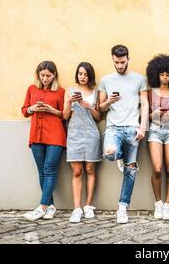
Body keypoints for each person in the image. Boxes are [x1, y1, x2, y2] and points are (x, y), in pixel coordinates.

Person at [99, 45, 148, 224]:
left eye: (122, 62)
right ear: (112, 59)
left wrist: (142, 127)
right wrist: (108, 101)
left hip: (133, 129)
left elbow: (145, 104)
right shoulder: (105, 80)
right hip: (113, 128)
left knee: (131, 170)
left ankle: (122, 208)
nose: (120, 66)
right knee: (110, 154)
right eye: (116, 62)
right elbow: (100, 108)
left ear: (128, 59)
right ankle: (118, 154)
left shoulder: (140, 79)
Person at [21, 61, 66, 221]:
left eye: (48, 75)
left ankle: (41, 207)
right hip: (36, 136)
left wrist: (51, 110)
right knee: (42, 171)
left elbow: (65, 114)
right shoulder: (31, 89)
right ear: (38, 75)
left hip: (55, 135)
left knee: (50, 170)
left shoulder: (61, 92)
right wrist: (32, 108)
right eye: (42, 75)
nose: (45, 78)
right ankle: (51, 206)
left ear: (54, 75)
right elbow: (24, 110)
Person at [146, 54, 169, 221]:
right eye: (162, 74)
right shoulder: (149, 93)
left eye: (168, 74)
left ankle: (167, 205)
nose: (165, 77)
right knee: (157, 168)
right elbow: (143, 116)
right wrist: (152, 114)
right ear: (156, 74)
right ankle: (158, 203)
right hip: (154, 130)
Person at [63, 62, 102, 223]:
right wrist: (69, 102)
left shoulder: (95, 92)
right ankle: (77, 208)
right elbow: (65, 116)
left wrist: (89, 107)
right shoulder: (70, 91)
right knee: (77, 171)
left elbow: (99, 117)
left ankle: (88, 205)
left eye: (85, 74)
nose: (82, 77)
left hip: (91, 134)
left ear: (90, 76)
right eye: (80, 73)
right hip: (74, 134)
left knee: (90, 169)